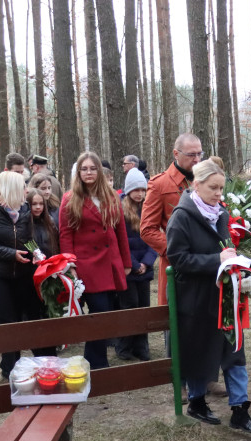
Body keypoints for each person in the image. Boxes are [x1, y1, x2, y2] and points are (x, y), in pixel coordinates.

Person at [166, 159, 251, 432]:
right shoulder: (181, 217)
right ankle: (197, 402)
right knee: (200, 352)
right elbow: (178, 259)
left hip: (224, 296)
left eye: (221, 188)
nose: (219, 194)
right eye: (213, 188)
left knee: (234, 350)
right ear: (197, 185)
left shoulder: (221, 214)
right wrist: (215, 260)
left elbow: (226, 247)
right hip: (196, 300)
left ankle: (240, 409)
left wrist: (239, 267)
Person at [0, 172, 56, 377]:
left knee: (30, 317)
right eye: (23, 186)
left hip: (21, 273)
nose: (27, 190)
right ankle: (10, 370)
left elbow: (27, 238)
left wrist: (37, 253)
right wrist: (10, 254)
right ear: (12, 189)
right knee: (7, 322)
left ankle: (43, 364)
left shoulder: (23, 208)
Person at [59, 152, 132, 369]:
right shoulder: (70, 198)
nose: (89, 172)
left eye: (93, 168)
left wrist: (126, 262)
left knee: (106, 315)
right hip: (87, 265)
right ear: (78, 173)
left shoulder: (111, 196)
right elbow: (65, 234)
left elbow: (120, 231)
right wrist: (70, 265)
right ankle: (97, 364)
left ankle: (94, 362)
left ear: (99, 171)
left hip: (110, 263)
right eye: (84, 169)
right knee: (99, 314)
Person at [141, 133, 203, 307]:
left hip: (207, 262)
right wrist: (175, 249)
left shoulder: (207, 180)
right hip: (177, 266)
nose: (197, 159)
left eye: (199, 154)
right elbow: (147, 229)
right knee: (177, 316)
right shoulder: (159, 184)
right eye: (191, 155)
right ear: (176, 154)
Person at [116, 168, 155, 362]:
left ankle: (142, 347)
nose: (140, 194)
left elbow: (154, 238)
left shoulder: (149, 209)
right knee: (129, 306)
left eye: (142, 190)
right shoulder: (121, 211)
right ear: (128, 190)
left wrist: (146, 263)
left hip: (144, 268)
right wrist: (133, 263)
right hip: (128, 268)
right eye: (136, 190)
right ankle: (125, 346)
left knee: (144, 307)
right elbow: (120, 241)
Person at [27, 189, 59, 259]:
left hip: (50, 261)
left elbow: (57, 242)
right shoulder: (24, 224)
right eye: (34, 204)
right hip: (32, 262)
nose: (38, 207)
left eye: (41, 204)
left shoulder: (50, 221)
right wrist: (39, 257)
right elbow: (27, 243)